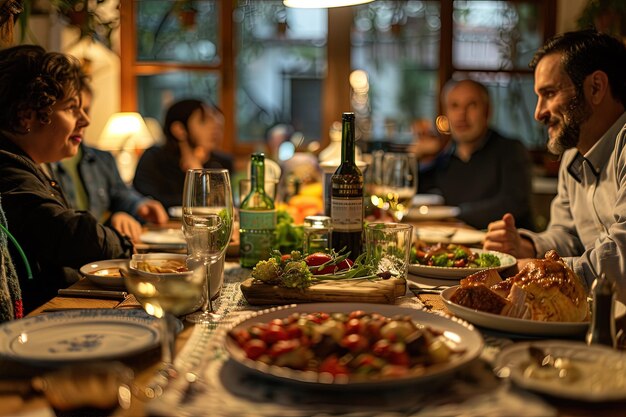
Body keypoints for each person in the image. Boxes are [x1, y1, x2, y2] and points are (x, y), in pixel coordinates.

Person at [483, 29, 626, 303]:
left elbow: (622, 258)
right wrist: (527, 246)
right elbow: (569, 237)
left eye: (549, 93)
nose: (538, 113)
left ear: (596, 87)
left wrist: (536, 271)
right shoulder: (572, 158)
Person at [0, 45, 134, 313]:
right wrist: (127, 247)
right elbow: (67, 234)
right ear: (27, 114)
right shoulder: (6, 170)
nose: (84, 119)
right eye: (73, 108)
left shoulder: (27, 165)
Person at [51, 83, 168, 242]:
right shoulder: (42, 163)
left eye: (86, 110)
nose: (85, 120)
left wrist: (141, 205)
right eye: (71, 109)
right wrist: (110, 224)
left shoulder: (102, 158)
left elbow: (120, 194)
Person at [417, 79, 534, 230]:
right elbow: (412, 188)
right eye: (454, 106)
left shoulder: (511, 150)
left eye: (471, 105)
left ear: (487, 111)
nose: (461, 114)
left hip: (510, 247)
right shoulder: (446, 158)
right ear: (446, 113)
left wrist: (454, 213)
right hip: (460, 248)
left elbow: (514, 203)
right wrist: (417, 157)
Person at [133, 99, 234, 210]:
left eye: (216, 121)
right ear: (179, 130)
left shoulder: (222, 162)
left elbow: (224, 205)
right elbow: (144, 201)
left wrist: (199, 173)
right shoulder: (154, 158)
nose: (215, 128)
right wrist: (195, 179)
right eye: (204, 121)